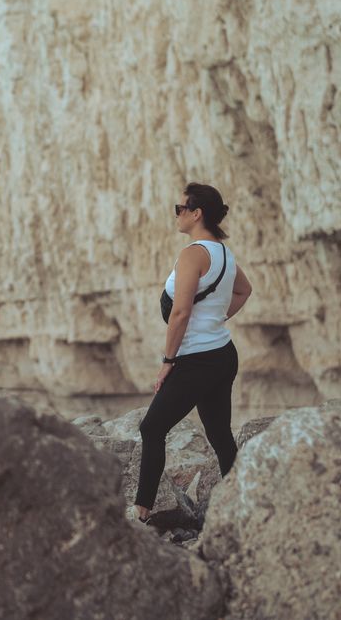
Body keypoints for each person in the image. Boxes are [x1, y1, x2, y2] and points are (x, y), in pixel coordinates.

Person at [133, 182, 253, 523]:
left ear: (196, 213)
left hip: (196, 360)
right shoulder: (224, 253)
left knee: (152, 429)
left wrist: (168, 362)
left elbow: (181, 313)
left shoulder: (193, 253)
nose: (176, 215)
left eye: (179, 208)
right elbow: (245, 290)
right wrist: (216, 319)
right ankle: (243, 502)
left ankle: (141, 510)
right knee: (218, 433)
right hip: (222, 354)